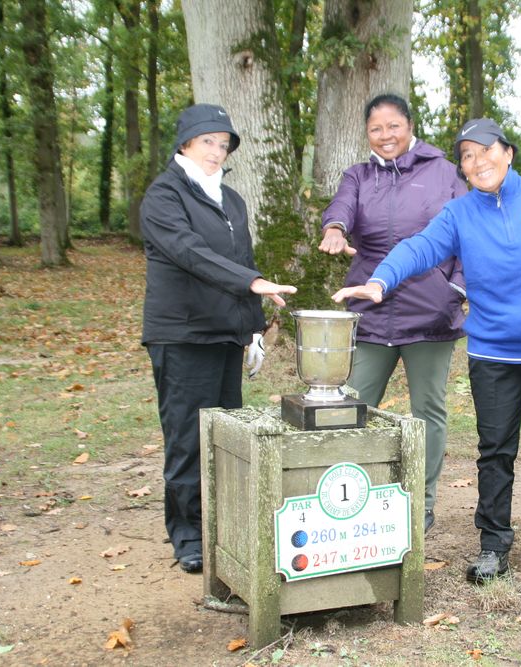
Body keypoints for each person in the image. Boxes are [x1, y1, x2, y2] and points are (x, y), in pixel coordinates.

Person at [332, 118, 521, 582]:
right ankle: (494, 544)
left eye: (485, 151)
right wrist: (379, 280)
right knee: (495, 450)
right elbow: (417, 247)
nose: (477, 162)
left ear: (507, 152)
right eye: (467, 157)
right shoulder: (459, 214)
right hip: (493, 353)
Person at [141, 103, 297, 574]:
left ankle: (225, 525)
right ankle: (188, 535)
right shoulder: (163, 195)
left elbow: (240, 256)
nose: (217, 151)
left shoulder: (231, 200)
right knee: (189, 438)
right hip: (183, 336)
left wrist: (253, 330)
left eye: (224, 144)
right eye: (208, 141)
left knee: (226, 435)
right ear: (185, 142)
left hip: (226, 336)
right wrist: (253, 282)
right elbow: (191, 254)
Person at [319, 93, 468, 534]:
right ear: (367, 134)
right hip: (371, 309)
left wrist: (455, 287)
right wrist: (334, 228)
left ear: (409, 125)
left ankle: (420, 502)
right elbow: (341, 207)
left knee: (428, 410)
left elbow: (467, 232)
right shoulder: (358, 175)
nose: (385, 136)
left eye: (393, 126)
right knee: (355, 407)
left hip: (429, 313)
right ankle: (352, 496)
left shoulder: (445, 173)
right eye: (376, 129)